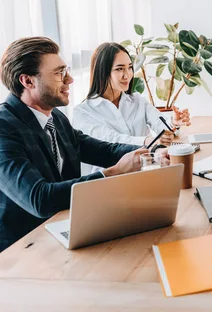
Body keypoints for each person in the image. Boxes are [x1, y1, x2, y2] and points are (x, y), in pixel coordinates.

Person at [0, 37, 169, 252]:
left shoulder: (57, 119)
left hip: (64, 230)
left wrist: (152, 154)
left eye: (66, 70)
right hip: (22, 250)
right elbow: (39, 198)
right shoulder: (4, 128)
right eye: (59, 73)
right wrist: (113, 173)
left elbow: (103, 150)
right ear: (28, 81)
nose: (69, 79)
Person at [72, 42, 191, 173]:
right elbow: (112, 140)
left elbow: (160, 123)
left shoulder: (138, 101)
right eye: (119, 69)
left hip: (145, 172)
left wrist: (174, 124)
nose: (127, 75)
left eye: (129, 67)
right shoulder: (83, 112)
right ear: (103, 72)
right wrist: (147, 141)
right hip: (108, 182)